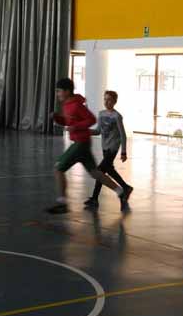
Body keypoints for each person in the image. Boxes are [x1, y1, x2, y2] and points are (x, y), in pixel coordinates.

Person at [46, 78, 131, 214]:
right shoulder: (67, 105)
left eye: (59, 91)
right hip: (82, 143)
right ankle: (121, 192)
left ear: (67, 91)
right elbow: (69, 122)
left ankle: (62, 203)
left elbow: (91, 119)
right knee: (95, 173)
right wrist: (57, 118)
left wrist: (75, 126)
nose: (57, 94)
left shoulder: (77, 105)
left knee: (58, 168)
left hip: (81, 143)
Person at [85, 90, 132, 209]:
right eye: (105, 99)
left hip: (113, 147)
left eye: (109, 100)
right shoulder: (101, 114)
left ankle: (95, 198)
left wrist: (123, 152)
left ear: (115, 101)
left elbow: (122, 135)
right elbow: (98, 131)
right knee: (109, 170)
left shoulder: (117, 116)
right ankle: (126, 187)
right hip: (105, 147)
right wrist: (85, 131)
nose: (106, 102)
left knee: (99, 171)